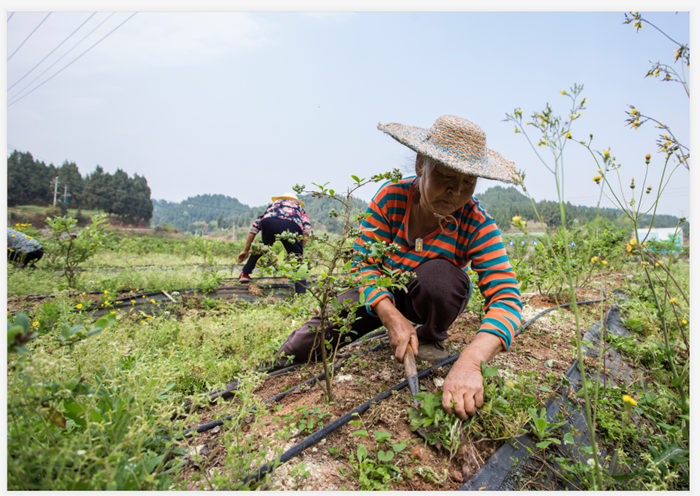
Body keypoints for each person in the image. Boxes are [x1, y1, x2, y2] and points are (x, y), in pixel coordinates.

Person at [271, 115, 523, 420]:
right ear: (421, 165)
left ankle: (430, 335)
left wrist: (471, 362)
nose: (455, 193)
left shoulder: (476, 222)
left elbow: (507, 301)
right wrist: (388, 313)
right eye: (445, 177)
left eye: (468, 183)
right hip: (380, 290)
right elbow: (363, 261)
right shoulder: (392, 197)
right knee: (303, 344)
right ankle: (273, 367)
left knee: (440, 281)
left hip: (424, 295)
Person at [237, 191, 312, 294]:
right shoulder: (298, 207)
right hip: (291, 225)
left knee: (263, 246)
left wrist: (245, 250)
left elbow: (254, 228)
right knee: (298, 260)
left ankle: (244, 273)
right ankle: (301, 295)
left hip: (269, 222)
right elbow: (307, 230)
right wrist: (299, 250)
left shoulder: (274, 205)